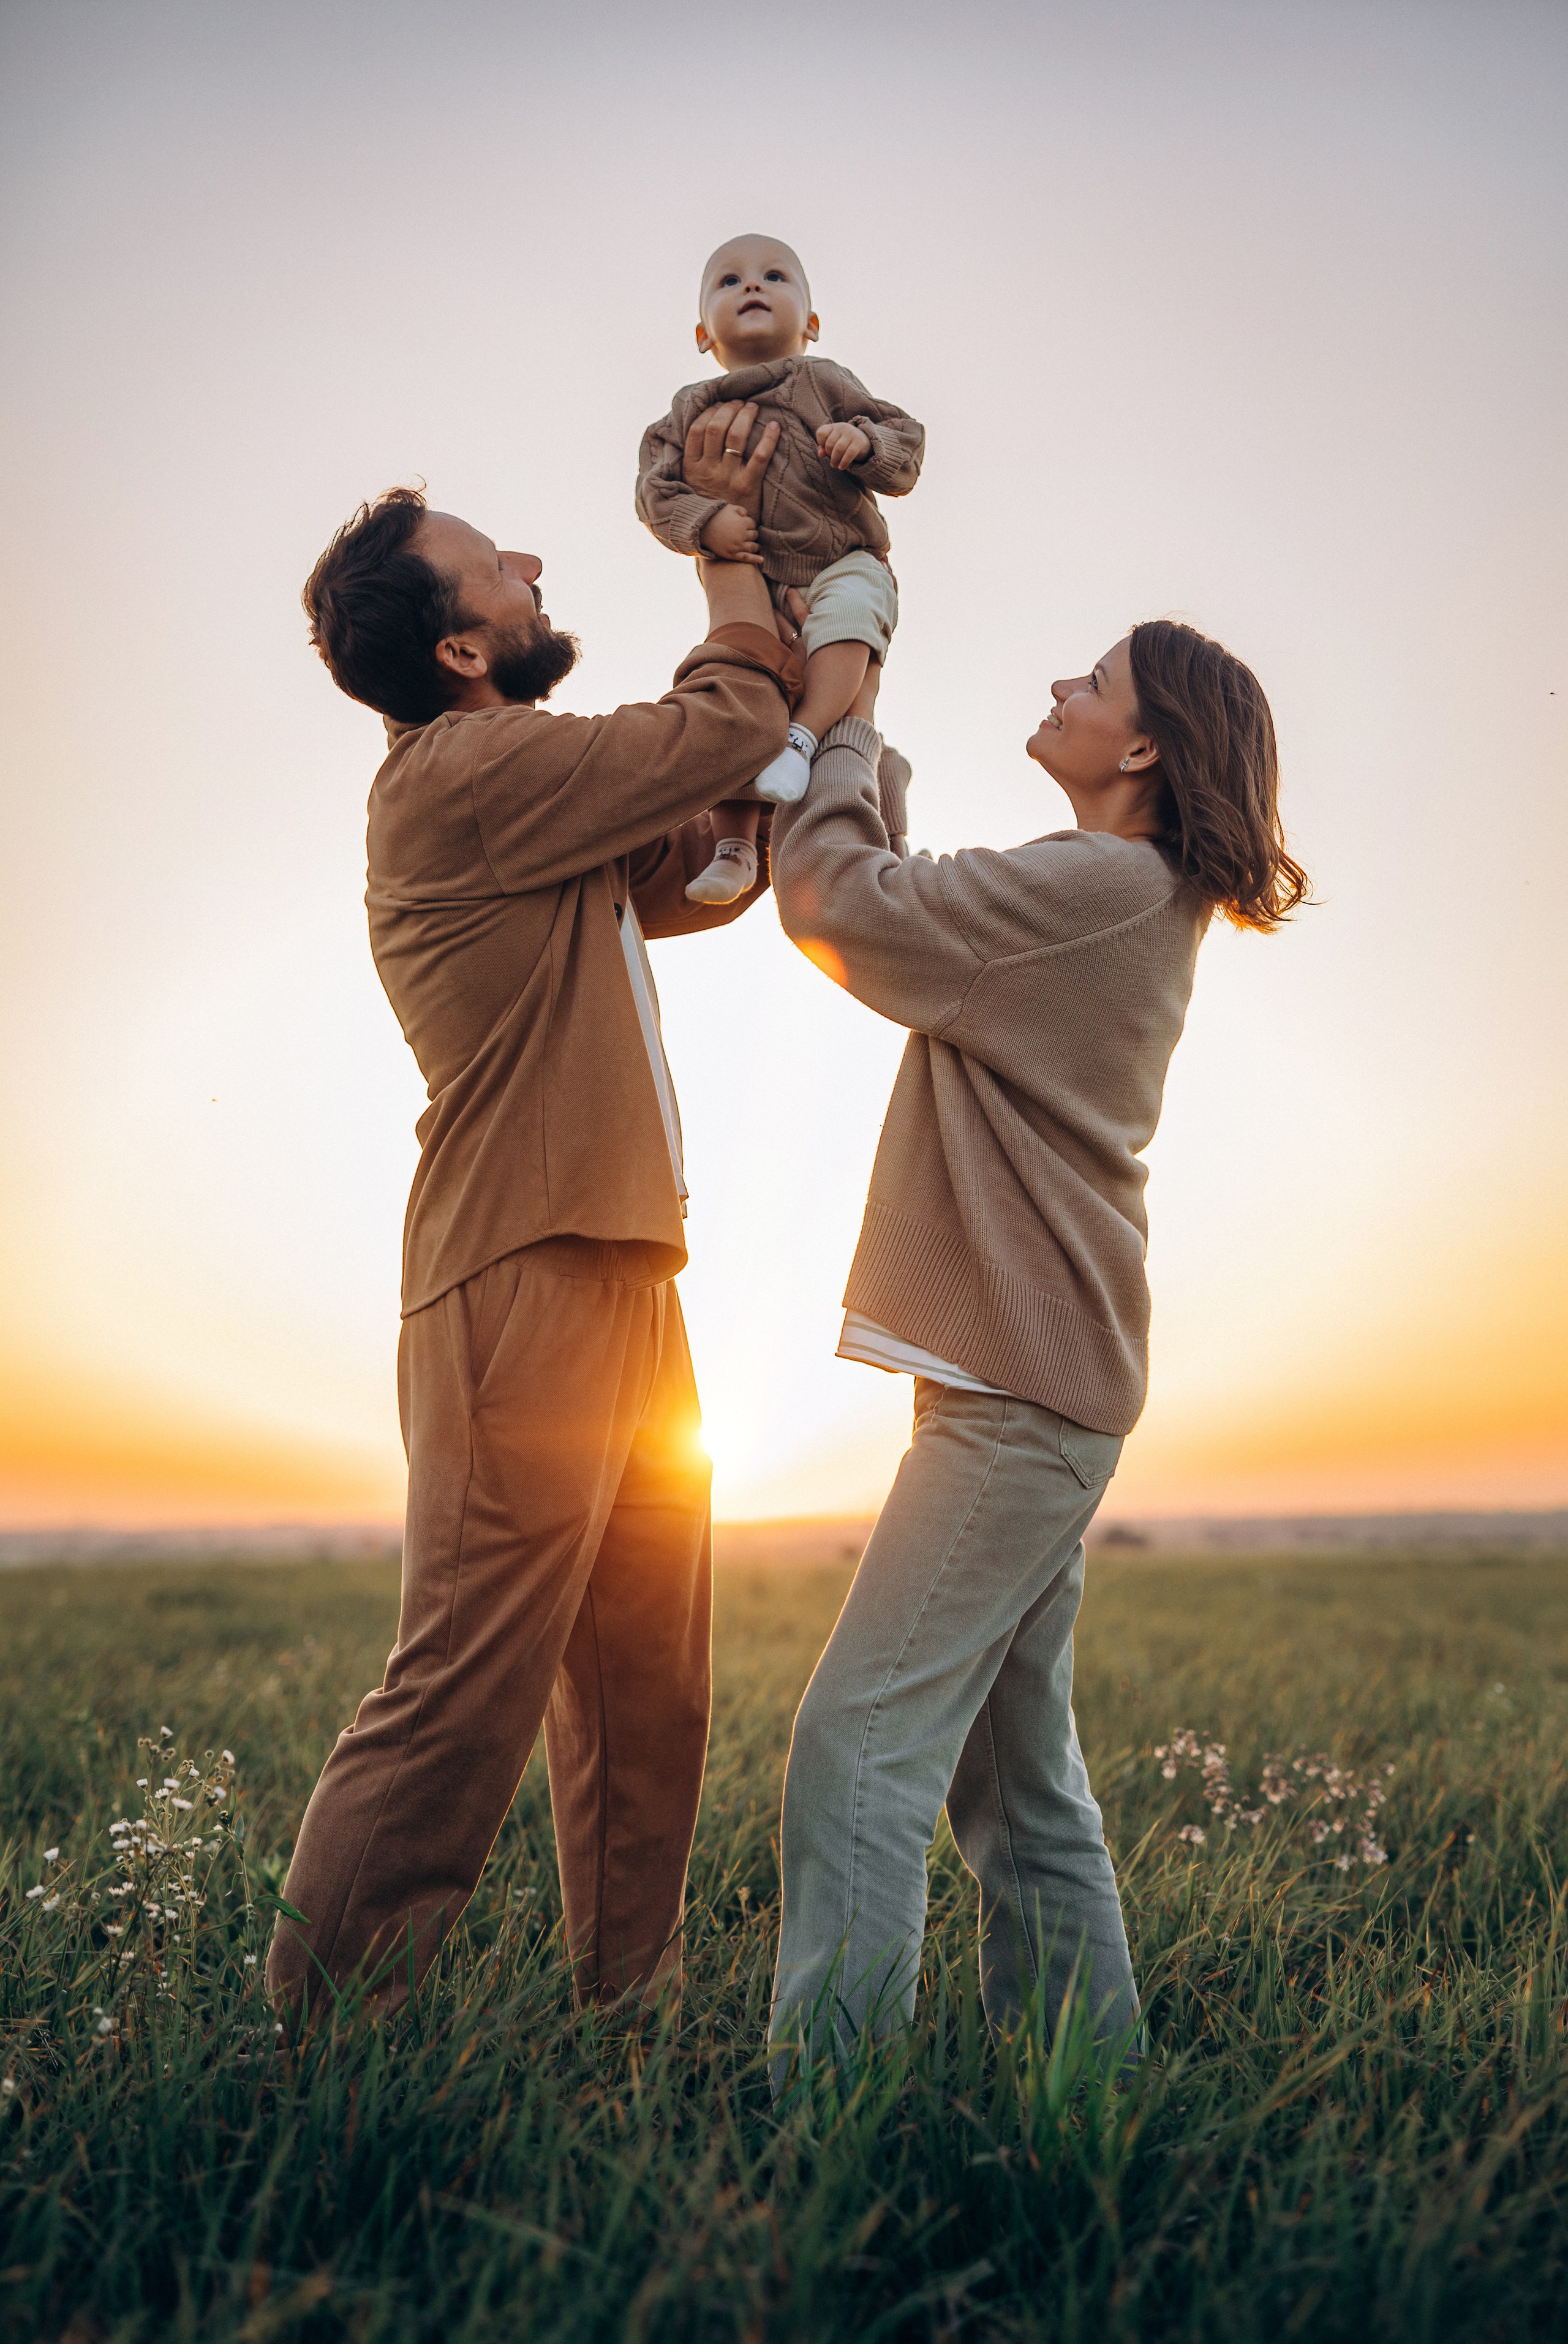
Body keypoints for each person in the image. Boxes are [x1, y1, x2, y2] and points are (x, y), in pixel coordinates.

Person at [266, 441, 804, 2024]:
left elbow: (693, 873)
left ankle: (628, 2024)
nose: (536, 573)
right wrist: (723, 552)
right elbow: (726, 725)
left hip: (624, 1260)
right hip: (520, 1274)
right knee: (463, 1685)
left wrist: (765, 800)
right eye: (501, 567)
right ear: (458, 650)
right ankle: (316, 2061)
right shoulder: (465, 773)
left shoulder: (523, 805)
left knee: (647, 1682)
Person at [766, 622, 1308, 2076]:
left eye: (1093, 681)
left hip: (1017, 1400)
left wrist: (835, 725)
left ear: (1140, 747)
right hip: (1040, 1388)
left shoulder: (1095, 885)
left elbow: (833, 901)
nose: (1061, 686)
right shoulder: (1117, 894)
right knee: (1016, 1786)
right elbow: (900, 901)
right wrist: (857, 735)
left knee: (856, 1746)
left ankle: (825, 2122)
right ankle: (1085, 2099)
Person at [636, 233, 924, 905]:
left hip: (844, 560)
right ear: (703, 335)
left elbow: (905, 442)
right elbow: (654, 494)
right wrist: (705, 522)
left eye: (774, 276)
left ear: (811, 324)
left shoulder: (826, 382)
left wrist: (864, 442)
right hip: (753, 577)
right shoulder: (687, 409)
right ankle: (735, 845)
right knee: (739, 687)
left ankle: (811, 746)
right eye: (729, 281)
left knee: (850, 625)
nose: (752, 287)